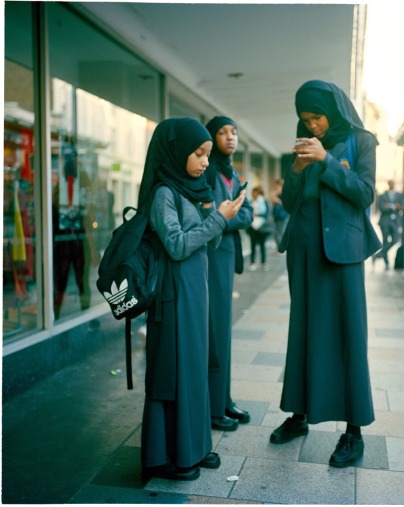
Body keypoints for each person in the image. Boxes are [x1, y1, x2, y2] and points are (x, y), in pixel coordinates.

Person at [270, 80, 382, 468]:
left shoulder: (361, 140)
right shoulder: (304, 141)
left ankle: (354, 432)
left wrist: (326, 162)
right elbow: (288, 200)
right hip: (303, 248)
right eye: (305, 119)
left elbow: (365, 193)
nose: (312, 125)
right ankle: (298, 415)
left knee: (349, 335)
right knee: (302, 331)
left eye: (316, 117)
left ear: (331, 111)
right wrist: (298, 169)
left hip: (343, 252)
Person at [137, 118, 245, 482]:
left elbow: (208, 241)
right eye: (198, 154)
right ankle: (170, 455)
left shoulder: (189, 188)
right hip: (174, 295)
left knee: (196, 367)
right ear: (176, 151)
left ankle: (195, 448)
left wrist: (215, 213)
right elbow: (178, 245)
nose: (203, 162)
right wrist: (217, 219)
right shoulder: (164, 193)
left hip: (195, 292)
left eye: (207, 155)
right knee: (176, 372)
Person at [205, 116, 254, 432]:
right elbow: (213, 214)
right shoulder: (208, 170)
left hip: (225, 257)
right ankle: (212, 407)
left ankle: (224, 399)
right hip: (212, 258)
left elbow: (244, 212)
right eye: (222, 133)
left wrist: (230, 215)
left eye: (234, 132)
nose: (230, 137)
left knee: (223, 332)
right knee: (215, 332)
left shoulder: (231, 172)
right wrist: (230, 215)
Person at [372, 179, 404, 269]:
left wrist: (389, 205)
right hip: (385, 222)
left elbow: (402, 206)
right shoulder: (382, 196)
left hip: (395, 222)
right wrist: (394, 206)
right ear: (388, 184)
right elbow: (382, 207)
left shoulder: (399, 195)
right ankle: (387, 263)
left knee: (396, 239)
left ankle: (378, 255)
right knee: (385, 241)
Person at [247, 185, 271, 271]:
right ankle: (252, 263)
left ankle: (263, 263)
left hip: (262, 227)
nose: (253, 194)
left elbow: (267, 214)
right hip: (252, 227)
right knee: (252, 246)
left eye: (255, 192)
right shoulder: (250, 201)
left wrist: (257, 214)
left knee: (262, 246)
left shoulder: (264, 201)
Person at [270, 178, 289, 251]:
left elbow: (275, 198)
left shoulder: (283, 192)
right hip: (277, 215)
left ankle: (282, 248)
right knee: (276, 233)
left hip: (282, 215)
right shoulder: (276, 192)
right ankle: (280, 248)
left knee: (280, 232)